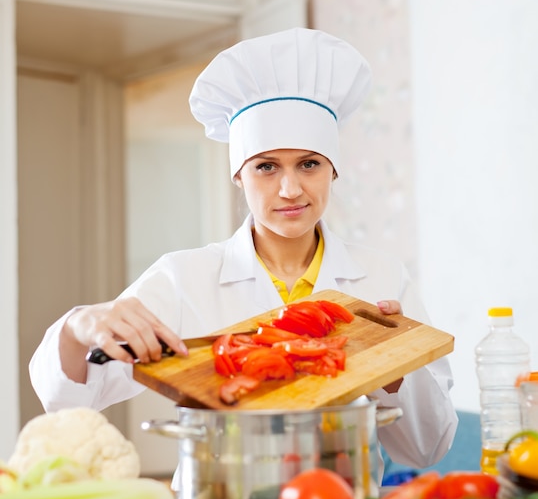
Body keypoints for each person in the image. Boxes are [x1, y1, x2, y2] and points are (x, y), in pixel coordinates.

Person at [29, 27, 457, 473]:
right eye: (266, 167)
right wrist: (76, 328)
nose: (290, 189)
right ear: (239, 176)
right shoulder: (182, 278)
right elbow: (69, 401)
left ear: (333, 170)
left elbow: (427, 450)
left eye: (309, 164)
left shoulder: (380, 276)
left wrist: (395, 370)